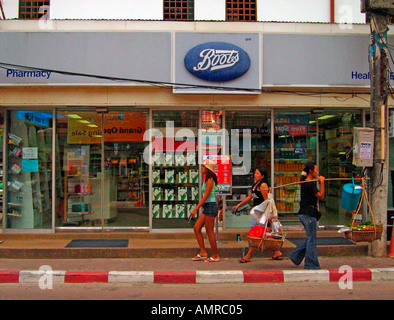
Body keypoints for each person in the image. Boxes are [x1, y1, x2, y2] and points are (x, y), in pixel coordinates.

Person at [233, 167, 282, 263]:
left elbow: (266, 201)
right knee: (261, 235)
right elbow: (250, 197)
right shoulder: (256, 185)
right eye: (255, 173)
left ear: (262, 176)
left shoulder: (263, 185)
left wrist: (267, 215)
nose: (255, 175)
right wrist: (239, 205)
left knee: (255, 234)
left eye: (257, 174)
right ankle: (277, 252)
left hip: (262, 215)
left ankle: (248, 256)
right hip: (257, 214)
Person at [288, 161, 325, 270]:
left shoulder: (306, 183)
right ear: (311, 171)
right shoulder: (308, 184)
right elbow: (321, 196)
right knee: (311, 239)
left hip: (305, 214)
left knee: (310, 238)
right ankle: (310, 264)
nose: (317, 172)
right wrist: (322, 182)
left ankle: (295, 255)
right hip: (308, 214)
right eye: (316, 170)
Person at [190, 159, 220, 262]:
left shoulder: (210, 179)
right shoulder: (206, 179)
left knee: (209, 231)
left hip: (211, 206)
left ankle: (215, 255)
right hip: (207, 207)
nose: (201, 168)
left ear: (207, 169)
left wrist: (195, 209)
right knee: (196, 228)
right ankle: (203, 252)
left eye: (203, 166)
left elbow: (206, 196)